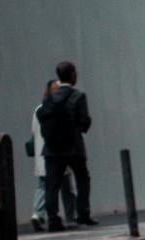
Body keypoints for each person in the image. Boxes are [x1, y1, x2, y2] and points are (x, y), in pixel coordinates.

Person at [37, 61, 95, 230]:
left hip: (52, 148)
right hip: (74, 146)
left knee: (52, 184)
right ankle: (83, 214)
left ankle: (53, 220)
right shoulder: (78, 96)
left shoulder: (49, 97)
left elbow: (42, 115)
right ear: (72, 75)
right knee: (82, 179)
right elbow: (84, 123)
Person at [30, 79, 76, 231]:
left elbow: (33, 132)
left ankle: (37, 214)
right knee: (66, 187)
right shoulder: (60, 108)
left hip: (42, 154)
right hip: (58, 152)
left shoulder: (39, 109)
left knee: (44, 186)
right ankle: (70, 216)